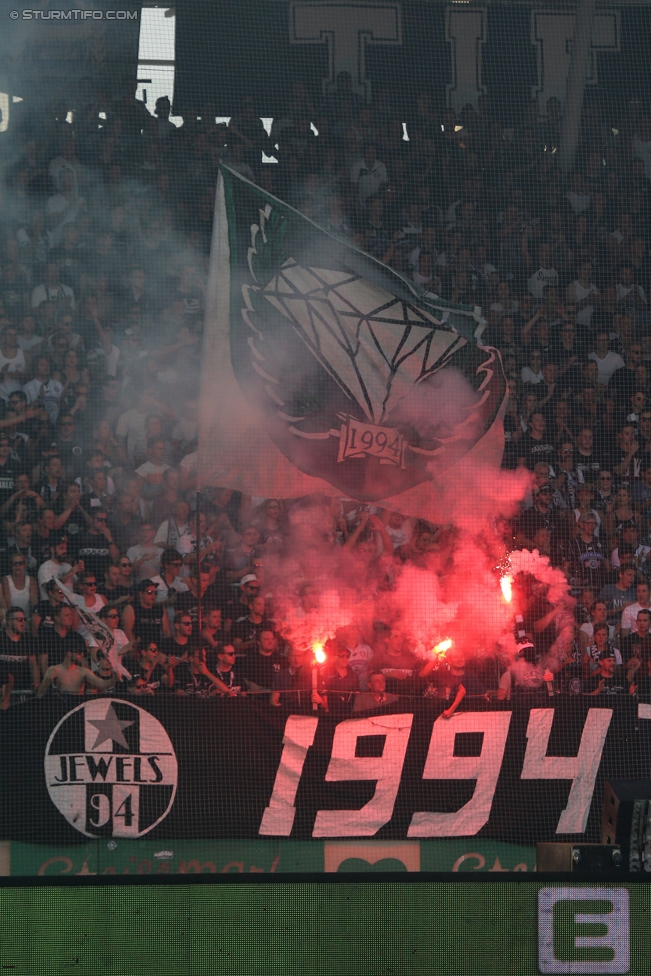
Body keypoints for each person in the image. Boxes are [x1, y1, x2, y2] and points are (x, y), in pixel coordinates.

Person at [37, 643, 116, 697]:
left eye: (82, 652)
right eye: (78, 652)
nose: (81, 655)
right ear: (69, 653)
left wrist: (115, 679)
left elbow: (102, 684)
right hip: (61, 708)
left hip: (78, 709)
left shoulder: (84, 672)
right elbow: (39, 694)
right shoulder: (54, 669)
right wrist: (47, 680)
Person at [36, 603, 88, 675]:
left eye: (71, 615)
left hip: (74, 678)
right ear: (57, 618)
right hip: (53, 677)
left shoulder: (77, 637)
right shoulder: (45, 636)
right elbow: (43, 662)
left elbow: (84, 662)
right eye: (67, 615)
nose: (71, 617)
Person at [313, 639, 359, 715]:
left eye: (347, 656)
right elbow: (325, 704)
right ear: (334, 658)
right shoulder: (325, 674)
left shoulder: (354, 677)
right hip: (330, 716)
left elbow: (356, 699)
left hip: (349, 716)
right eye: (341, 656)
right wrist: (320, 701)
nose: (345, 658)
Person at [0, 606, 39, 694]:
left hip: (24, 689)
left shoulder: (28, 639)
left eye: (24, 619)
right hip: (3, 690)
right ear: (9, 621)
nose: (23, 622)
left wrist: (36, 683)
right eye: (19, 619)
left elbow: (33, 665)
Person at [121, 578, 170, 647]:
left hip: (156, 650)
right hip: (138, 650)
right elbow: (127, 632)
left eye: (155, 593)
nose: (153, 596)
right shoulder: (131, 609)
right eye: (149, 592)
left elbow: (167, 632)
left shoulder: (160, 609)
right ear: (140, 594)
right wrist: (135, 647)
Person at [74, 509, 118, 579]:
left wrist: (109, 538)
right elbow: (71, 558)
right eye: (100, 520)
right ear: (91, 519)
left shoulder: (109, 536)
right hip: (86, 581)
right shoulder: (79, 537)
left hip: (104, 581)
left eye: (105, 520)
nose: (103, 523)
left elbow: (116, 558)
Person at [37, 535, 81, 599]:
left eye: (66, 548)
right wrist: (68, 574)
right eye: (61, 548)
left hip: (69, 606)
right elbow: (48, 588)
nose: (65, 551)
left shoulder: (68, 566)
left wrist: (81, 573)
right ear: (52, 549)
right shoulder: (45, 567)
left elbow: (78, 587)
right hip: (52, 607)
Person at [0, 551, 38, 618]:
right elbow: (7, 603)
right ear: (10, 565)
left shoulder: (31, 580)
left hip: (27, 619)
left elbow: (34, 602)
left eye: (20, 563)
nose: (17, 566)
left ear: (25, 564)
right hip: (10, 618)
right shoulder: (5, 580)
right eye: (14, 563)